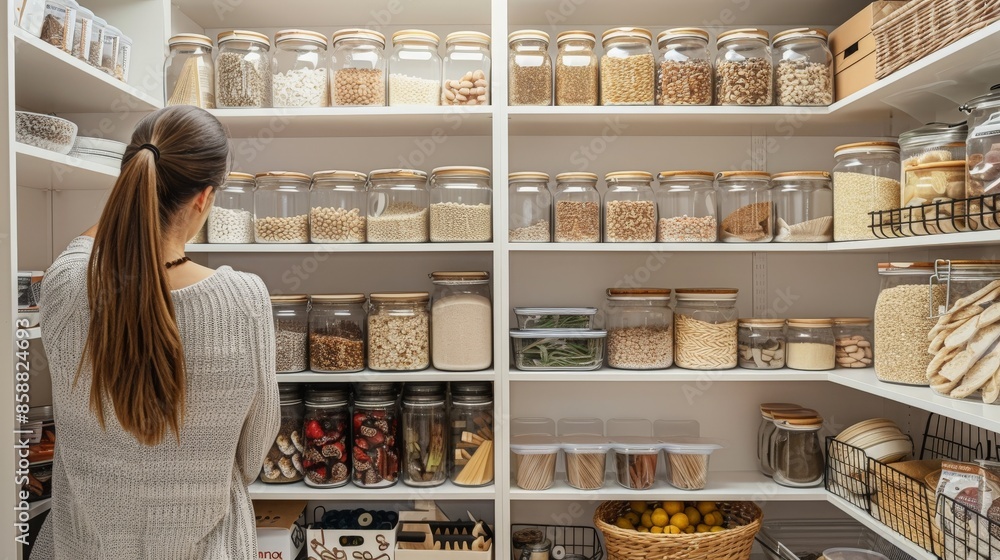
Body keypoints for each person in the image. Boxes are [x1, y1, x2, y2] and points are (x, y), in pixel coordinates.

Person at [32, 105, 279, 559]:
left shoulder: (65, 286)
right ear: (204, 198)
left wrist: (136, 192)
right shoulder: (245, 299)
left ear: (129, 180)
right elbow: (253, 449)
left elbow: (85, 247)